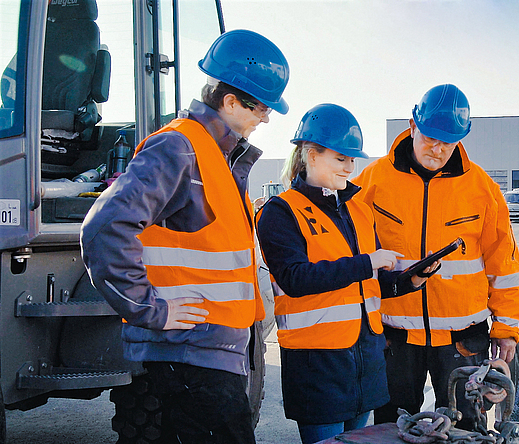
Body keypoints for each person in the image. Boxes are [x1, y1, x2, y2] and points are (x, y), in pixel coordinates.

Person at [80, 29, 289, 444]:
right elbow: (104, 228)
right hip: (192, 355)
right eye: (263, 108)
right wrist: (149, 308)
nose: (265, 119)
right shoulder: (179, 148)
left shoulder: (216, 156)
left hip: (208, 353)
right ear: (231, 102)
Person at [256, 103, 438, 444]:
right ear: (311, 155)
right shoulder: (280, 212)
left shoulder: (358, 209)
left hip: (363, 363)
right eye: (341, 159)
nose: (350, 168)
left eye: (352, 160)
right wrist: (367, 262)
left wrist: (410, 280)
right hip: (317, 367)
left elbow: (368, 284)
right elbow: (295, 279)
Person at [353, 84, 519, 431]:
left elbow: (504, 263)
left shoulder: (482, 189)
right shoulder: (373, 181)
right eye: (431, 137)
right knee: (393, 429)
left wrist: (506, 329)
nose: (439, 149)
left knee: (465, 430)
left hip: (463, 341)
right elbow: (348, 245)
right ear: (412, 126)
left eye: (448, 141)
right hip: (395, 337)